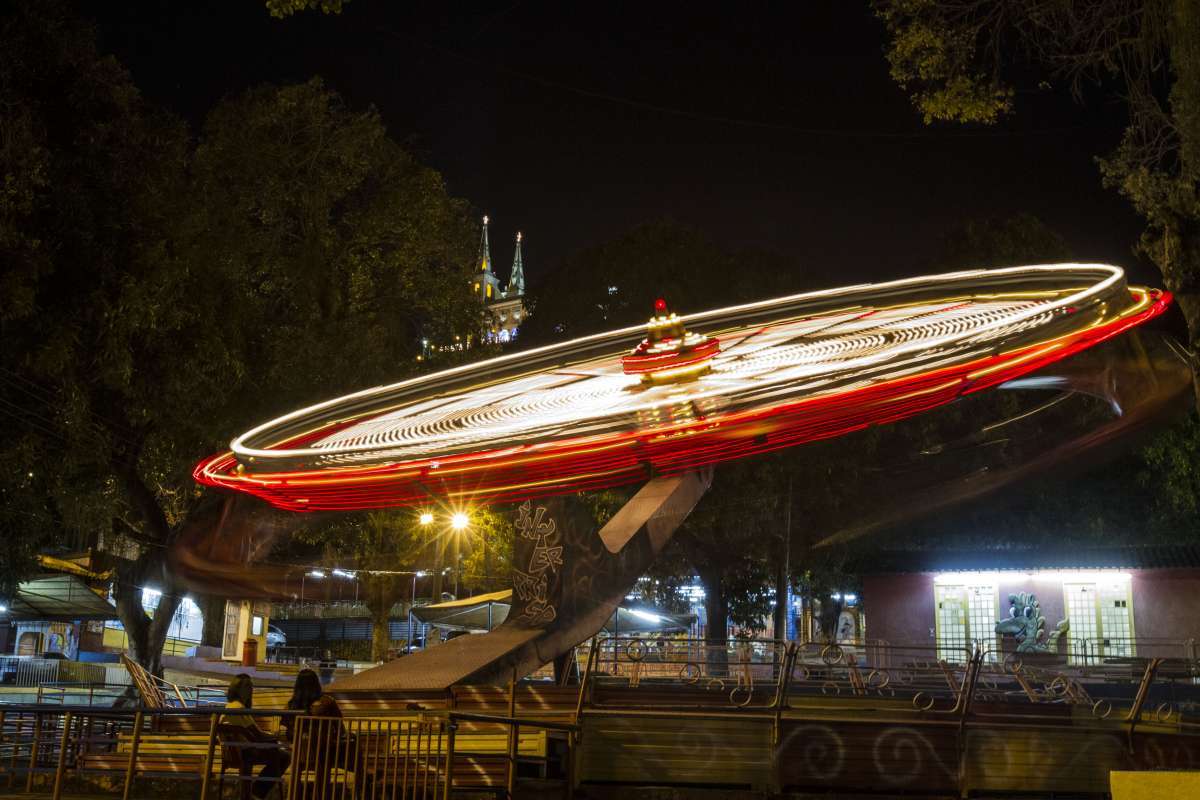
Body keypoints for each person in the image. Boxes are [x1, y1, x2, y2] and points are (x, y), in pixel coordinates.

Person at [221, 674, 291, 800]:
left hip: (234, 753)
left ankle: (251, 793)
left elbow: (251, 733)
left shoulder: (228, 706)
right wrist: (275, 739)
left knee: (278, 751)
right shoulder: (239, 708)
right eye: (247, 686)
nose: (250, 689)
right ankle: (257, 792)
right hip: (247, 753)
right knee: (285, 757)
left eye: (251, 686)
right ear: (237, 689)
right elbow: (256, 734)